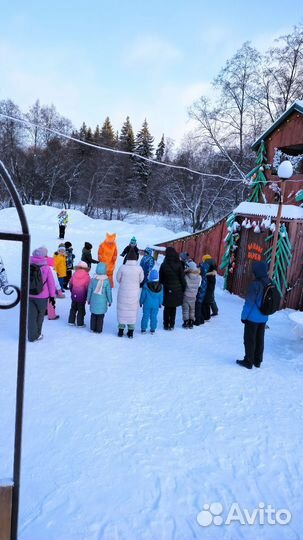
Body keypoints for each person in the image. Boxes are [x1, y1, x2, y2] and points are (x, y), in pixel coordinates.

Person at [237, 261, 271, 369]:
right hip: (264, 317)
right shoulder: (269, 282)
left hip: (252, 318)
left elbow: (249, 303)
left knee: (249, 339)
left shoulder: (255, 284)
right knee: (260, 338)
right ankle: (258, 361)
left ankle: (248, 361)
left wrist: (243, 317)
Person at [28, 247, 56, 341]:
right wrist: (52, 296)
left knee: (31, 316)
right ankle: (38, 334)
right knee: (40, 315)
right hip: (42, 296)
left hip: (29, 294)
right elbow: (51, 283)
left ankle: (31, 336)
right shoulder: (46, 267)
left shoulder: (28, 265)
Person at [116, 247, 144, 338]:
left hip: (123, 293)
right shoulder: (139, 269)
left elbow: (118, 279)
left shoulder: (122, 267)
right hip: (134, 293)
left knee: (122, 311)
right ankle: (131, 332)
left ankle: (120, 331)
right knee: (132, 311)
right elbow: (141, 280)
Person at [159, 246, 186, 330]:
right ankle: (172, 325)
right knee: (173, 307)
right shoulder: (178, 264)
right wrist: (183, 288)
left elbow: (161, 278)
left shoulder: (164, 264)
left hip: (167, 289)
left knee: (167, 307)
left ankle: (166, 324)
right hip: (177, 289)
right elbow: (182, 277)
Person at [87, 263, 112, 333]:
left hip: (93, 301)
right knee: (100, 317)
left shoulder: (93, 279)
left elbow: (90, 290)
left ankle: (92, 328)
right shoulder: (106, 281)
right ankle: (98, 329)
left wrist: (88, 299)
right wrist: (110, 301)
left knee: (93, 315)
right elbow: (108, 292)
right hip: (102, 303)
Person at [140, 269, 163, 334]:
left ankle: (143, 329)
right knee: (154, 317)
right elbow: (161, 296)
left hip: (147, 304)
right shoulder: (161, 286)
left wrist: (141, 302)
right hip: (155, 305)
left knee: (145, 316)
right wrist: (160, 303)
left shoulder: (146, 286)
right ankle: (153, 329)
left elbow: (143, 295)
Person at [68, 261, 91, 327]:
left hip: (74, 295)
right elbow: (88, 287)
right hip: (82, 296)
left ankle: (71, 321)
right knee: (81, 309)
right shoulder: (87, 276)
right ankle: (80, 323)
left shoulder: (74, 274)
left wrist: (72, 290)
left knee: (73, 308)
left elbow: (70, 284)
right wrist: (87, 295)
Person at [182, 261, 201, 329]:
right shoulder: (198, 277)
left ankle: (186, 321)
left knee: (185, 309)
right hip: (193, 296)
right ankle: (191, 322)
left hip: (186, 295)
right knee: (192, 310)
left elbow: (183, 284)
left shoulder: (186, 276)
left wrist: (185, 271)